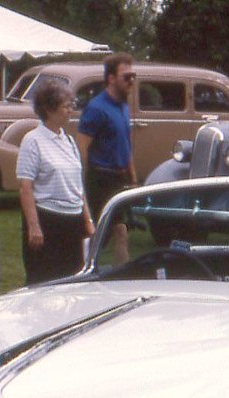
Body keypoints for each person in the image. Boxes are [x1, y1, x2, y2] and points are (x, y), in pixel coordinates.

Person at [16, 81, 94, 284]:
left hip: (72, 220)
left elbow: (78, 185)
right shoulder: (32, 140)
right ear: (49, 109)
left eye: (71, 106)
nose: (71, 111)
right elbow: (25, 187)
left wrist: (87, 220)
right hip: (47, 219)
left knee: (72, 280)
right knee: (44, 279)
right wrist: (34, 226)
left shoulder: (68, 141)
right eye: (66, 106)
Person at [77, 52, 135, 265]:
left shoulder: (124, 106)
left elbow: (126, 145)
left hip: (119, 179)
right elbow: (82, 147)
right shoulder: (96, 108)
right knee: (102, 232)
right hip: (100, 178)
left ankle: (122, 276)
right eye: (126, 77)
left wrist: (132, 178)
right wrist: (80, 182)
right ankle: (81, 267)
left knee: (120, 230)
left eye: (133, 76)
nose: (131, 81)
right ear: (111, 79)